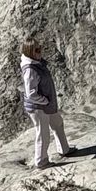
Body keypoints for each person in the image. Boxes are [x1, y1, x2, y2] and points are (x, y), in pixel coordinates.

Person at [20, 37, 74, 168]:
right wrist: (44, 100)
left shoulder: (37, 64)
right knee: (43, 134)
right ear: (30, 52)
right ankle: (41, 161)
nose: (40, 52)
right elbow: (31, 93)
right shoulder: (30, 69)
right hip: (38, 107)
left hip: (46, 104)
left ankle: (64, 149)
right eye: (37, 50)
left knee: (57, 123)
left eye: (40, 48)